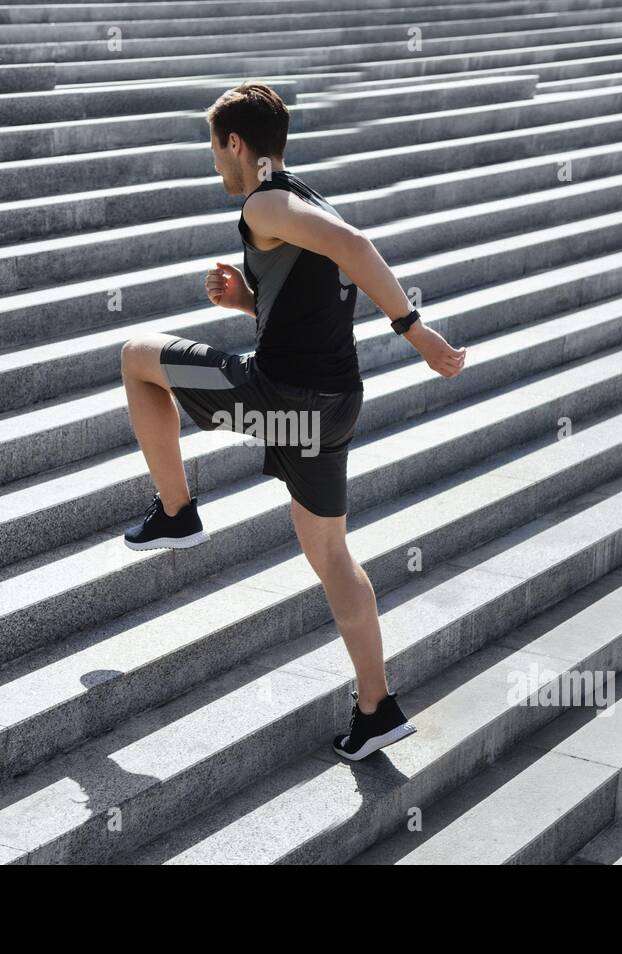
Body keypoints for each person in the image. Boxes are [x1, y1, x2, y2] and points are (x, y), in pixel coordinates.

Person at [119, 81, 466, 760]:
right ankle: (377, 709)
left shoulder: (265, 204)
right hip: (332, 406)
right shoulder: (304, 197)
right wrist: (247, 300)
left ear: (237, 144)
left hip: (284, 399)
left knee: (136, 357)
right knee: (331, 554)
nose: (215, 162)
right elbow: (316, 299)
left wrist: (415, 331)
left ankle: (178, 510)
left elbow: (359, 248)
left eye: (215, 148)